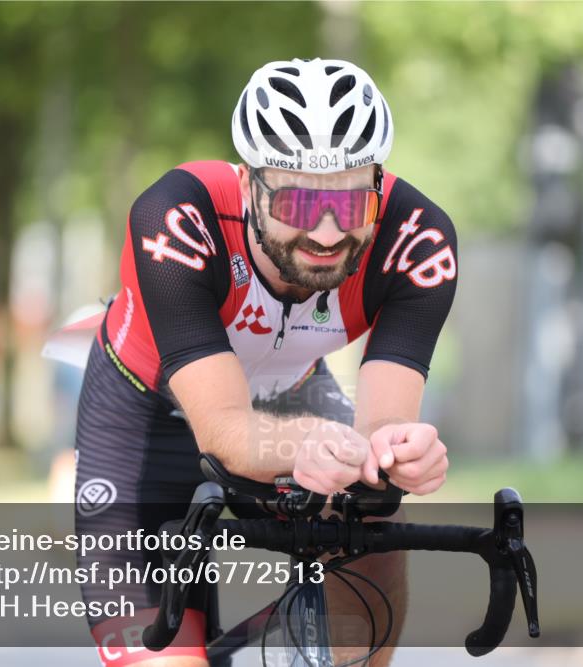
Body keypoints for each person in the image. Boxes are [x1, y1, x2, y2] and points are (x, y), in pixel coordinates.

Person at [75, 58, 458, 666]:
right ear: (250, 183)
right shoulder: (178, 216)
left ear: (379, 187)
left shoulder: (415, 241)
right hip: (143, 419)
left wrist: (399, 455)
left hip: (289, 396)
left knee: (372, 514)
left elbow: (379, 432)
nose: (329, 233)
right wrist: (317, 443)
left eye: (352, 204)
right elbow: (226, 431)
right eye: (302, 206)